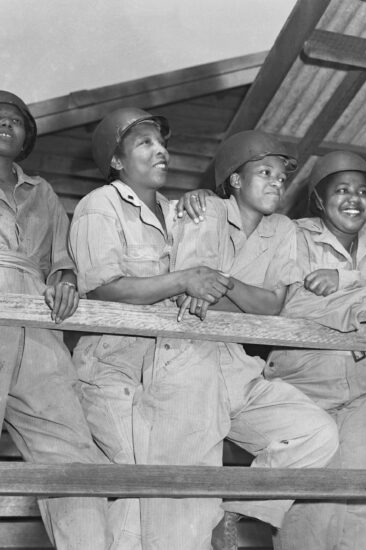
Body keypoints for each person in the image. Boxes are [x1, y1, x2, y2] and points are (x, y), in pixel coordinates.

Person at [69, 107, 235, 550]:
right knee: (139, 483)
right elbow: (104, 289)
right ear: (118, 161)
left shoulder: (176, 211)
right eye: (144, 143)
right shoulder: (98, 207)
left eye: (161, 143)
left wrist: (203, 197)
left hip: (165, 372)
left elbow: (205, 249)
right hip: (111, 371)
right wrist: (183, 279)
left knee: (161, 495)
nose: (160, 150)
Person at [172, 130, 339, 550]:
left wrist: (223, 283)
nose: (276, 183)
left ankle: (242, 515)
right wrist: (237, 294)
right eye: (264, 172)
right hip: (184, 364)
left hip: (237, 366)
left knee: (317, 431)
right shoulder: (205, 210)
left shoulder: (281, 229)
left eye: (281, 177)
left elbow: (272, 305)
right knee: (186, 500)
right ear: (234, 180)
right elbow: (189, 293)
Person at [261, 150, 366, 550]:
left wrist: (353, 286)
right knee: (311, 503)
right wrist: (361, 293)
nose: (354, 199)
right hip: (305, 385)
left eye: (363, 192)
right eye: (342, 190)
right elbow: (292, 301)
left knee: (365, 498)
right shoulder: (291, 234)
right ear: (318, 198)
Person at [0, 90, 109, 548]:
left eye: (16, 120)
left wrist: (64, 279)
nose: (6, 124)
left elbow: (61, 259)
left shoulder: (41, 190)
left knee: (74, 458)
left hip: (39, 328)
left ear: (27, 136)